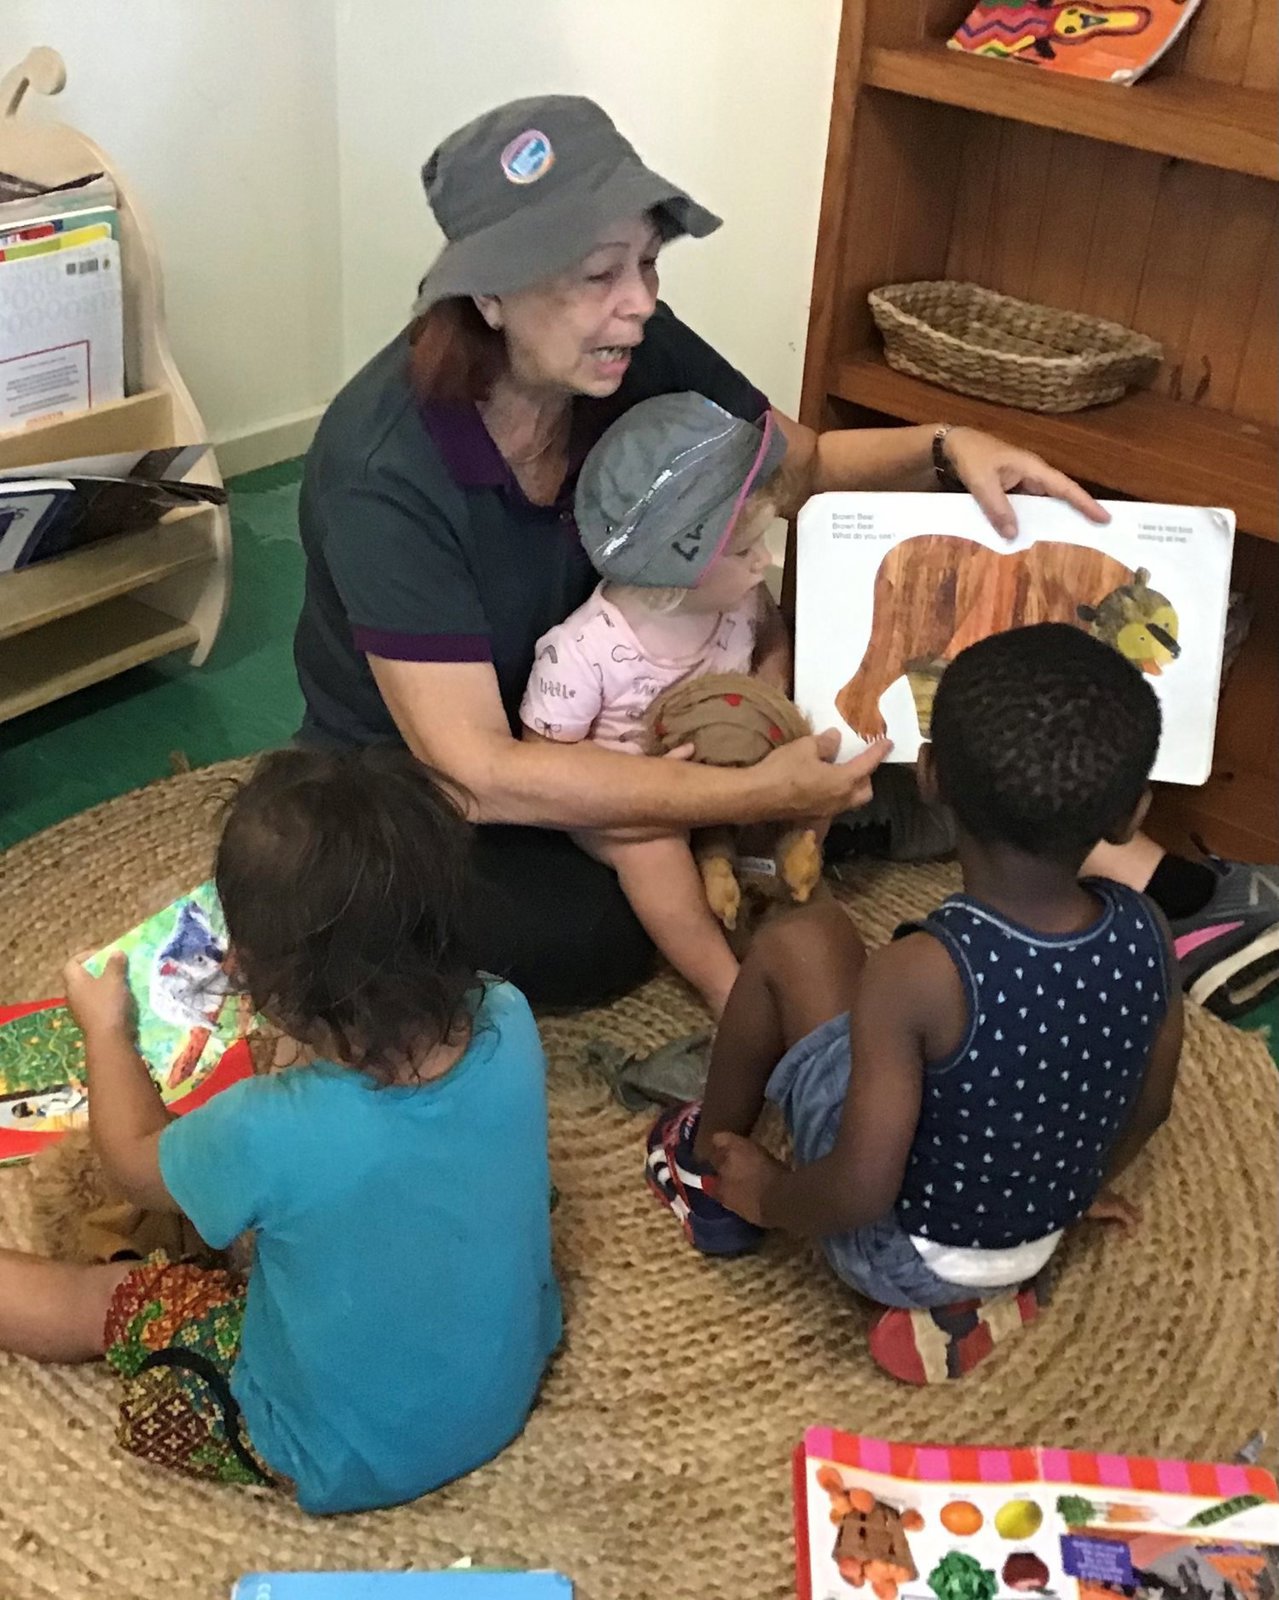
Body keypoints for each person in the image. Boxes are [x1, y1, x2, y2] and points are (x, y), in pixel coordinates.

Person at [0, 747, 561, 1515]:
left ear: (259, 975)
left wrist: (106, 1031)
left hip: (330, 1449)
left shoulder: (269, 1128)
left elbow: (131, 1165)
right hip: (502, 1384)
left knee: (112, 1295)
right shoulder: (510, 1015)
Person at [645, 624, 1184, 1384]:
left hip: (895, 1250)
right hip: (1040, 1232)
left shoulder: (918, 972)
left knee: (800, 938)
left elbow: (860, 1190)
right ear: (1132, 815)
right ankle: (986, 1293)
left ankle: (705, 1170)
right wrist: (1076, 1189)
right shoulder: (1148, 929)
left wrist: (769, 1192)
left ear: (928, 776)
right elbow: (1150, 1106)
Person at [519, 390, 821, 1017]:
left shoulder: (738, 597)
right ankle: (723, 986)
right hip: (627, 799)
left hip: (725, 766)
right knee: (651, 849)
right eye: (745, 552)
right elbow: (544, 762)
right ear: (672, 567)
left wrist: (773, 708)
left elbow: (771, 638)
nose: (763, 562)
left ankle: (771, 881)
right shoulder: (583, 649)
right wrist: (659, 788)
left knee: (817, 763)